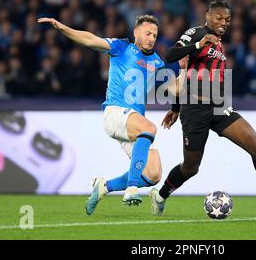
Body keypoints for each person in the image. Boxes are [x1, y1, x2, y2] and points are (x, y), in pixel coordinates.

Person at [149, 0, 256, 215]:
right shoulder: (196, 33)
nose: (224, 22)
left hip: (219, 107)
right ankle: (160, 195)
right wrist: (197, 45)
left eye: (228, 19)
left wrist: (175, 107)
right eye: (219, 17)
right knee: (190, 167)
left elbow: (185, 73)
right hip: (195, 110)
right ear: (207, 16)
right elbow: (170, 56)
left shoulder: (219, 43)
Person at [38, 15, 174, 214]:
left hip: (132, 125)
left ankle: (104, 187)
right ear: (136, 33)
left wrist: (189, 73)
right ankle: (131, 189)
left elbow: (176, 88)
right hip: (115, 113)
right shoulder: (122, 47)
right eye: (147, 33)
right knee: (150, 128)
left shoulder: (157, 62)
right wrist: (62, 28)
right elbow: (89, 39)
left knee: (153, 174)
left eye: (154, 35)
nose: (151, 38)